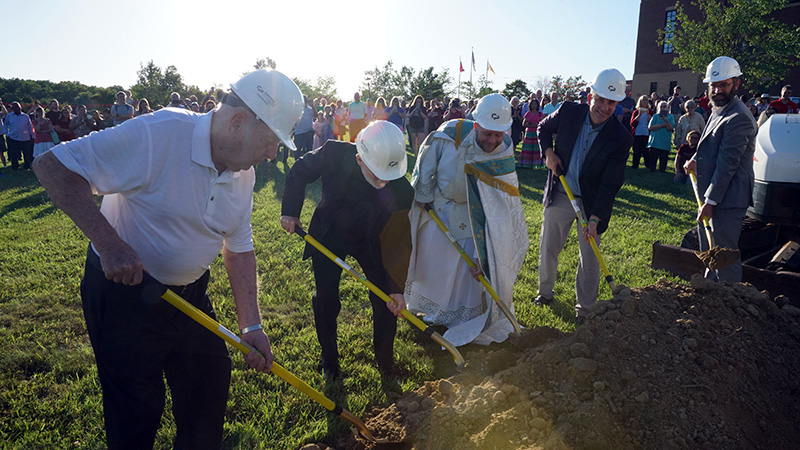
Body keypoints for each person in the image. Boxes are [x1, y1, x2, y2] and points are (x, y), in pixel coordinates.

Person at [32, 69, 304, 449]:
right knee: (137, 409)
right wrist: (110, 244)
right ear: (239, 122)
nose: (273, 153)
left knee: (208, 386)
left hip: (189, 297)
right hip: (125, 296)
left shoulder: (244, 174)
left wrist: (251, 326)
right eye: (272, 141)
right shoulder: (158, 133)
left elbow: (239, 248)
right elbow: (53, 166)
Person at [280, 121, 412, 379]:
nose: (384, 181)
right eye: (377, 174)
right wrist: (290, 211)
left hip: (373, 240)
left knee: (385, 299)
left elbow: (399, 240)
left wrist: (396, 287)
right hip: (329, 235)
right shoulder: (333, 153)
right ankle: (329, 359)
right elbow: (300, 171)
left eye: (389, 175)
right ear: (359, 159)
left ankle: (385, 362)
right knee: (326, 299)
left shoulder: (402, 188)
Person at [405, 93, 528, 346]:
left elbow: (502, 193)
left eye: (498, 134)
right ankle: (433, 310)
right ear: (476, 125)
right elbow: (427, 161)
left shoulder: (504, 147)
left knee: (468, 265)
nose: (492, 140)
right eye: (487, 134)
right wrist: (423, 195)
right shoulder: (449, 134)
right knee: (436, 259)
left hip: (475, 212)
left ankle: (460, 313)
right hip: (439, 207)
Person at [534, 69, 633, 325]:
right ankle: (544, 293)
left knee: (589, 257)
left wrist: (595, 217)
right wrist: (548, 153)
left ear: (617, 103)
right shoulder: (569, 112)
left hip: (590, 202)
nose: (604, 107)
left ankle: (585, 310)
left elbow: (611, 182)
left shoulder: (621, 138)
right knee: (549, 246)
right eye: (600, 99)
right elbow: (543, 127)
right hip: (561, 192)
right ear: (591, 95)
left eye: (611, 102)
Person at [684, 56, 757, 283]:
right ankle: (711, 296)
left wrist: (710, 201)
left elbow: (728, 164)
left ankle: (731, 303)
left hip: (728, 197)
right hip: (715, 193)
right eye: (713, 85)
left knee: (724, 256)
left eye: (723, 84)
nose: (717, 90)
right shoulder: (719, 109)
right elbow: (711, 143)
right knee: (710, 249)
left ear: (736, 83)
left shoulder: (738, 117)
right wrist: (695, 158)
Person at [4, 102, 35, 170]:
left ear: (20, 107)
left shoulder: (25, 116)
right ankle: (15, 167)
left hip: (25, 138)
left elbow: (30, 127)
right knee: (14, 154)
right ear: (12, 108)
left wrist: (32, 136)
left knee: (27, 153)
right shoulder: (9, 116)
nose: (16, 108)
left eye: (18, 107)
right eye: (15, 107)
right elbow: (5, 125)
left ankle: (27, 166)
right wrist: (7, 134)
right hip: (14, 138)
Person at [646, 100, 674, 173]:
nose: (662, 108)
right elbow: (650, 127)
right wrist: (662, 125)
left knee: (663, 159)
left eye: (664, 106)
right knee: (653, 159)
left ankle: (662, 171)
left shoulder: (670, 116)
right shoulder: (655, 116)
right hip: (655, 141)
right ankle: (652, 170)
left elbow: (670, 128)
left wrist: (666, 121)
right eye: (661, 107)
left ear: (668, 108)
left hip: (664, 142)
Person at [520, 99, 545, 168]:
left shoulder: (540, 114)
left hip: (536, 133)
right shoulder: (528, 113)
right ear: (530, 105)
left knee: (536, 149)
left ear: (537, 105)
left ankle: (536, 163)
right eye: (532, 104)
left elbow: (542, 123)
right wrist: (529, 125)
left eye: (535, 104)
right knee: (528, 148)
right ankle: (526, 163)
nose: (534, 106)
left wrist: (536, 125)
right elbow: (523, 123)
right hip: (529, 133)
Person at [629, 95, 651, 169]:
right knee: (636, 150)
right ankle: (635, 165)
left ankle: (647, 165)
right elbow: (632, 124)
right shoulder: (636, 111)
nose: (644, 101)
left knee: (646, 150)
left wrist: (648, 115)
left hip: (646, 133)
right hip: (637, 133)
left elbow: (652, 122)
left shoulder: (650, 111)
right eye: (643, 100)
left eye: (646, 100)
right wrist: (639, 115)